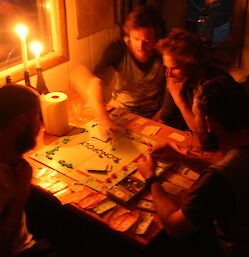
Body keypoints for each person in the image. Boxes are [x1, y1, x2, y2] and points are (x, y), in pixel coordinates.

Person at [138, 76, 249, 257]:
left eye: (195, 116)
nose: (194, 124)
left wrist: (151, 179)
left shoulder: (217, 179)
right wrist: (179, 158)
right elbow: (232, 171)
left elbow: (174, 227)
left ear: (209, 123)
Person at [72, 5, 166, 139]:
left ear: (157, 40)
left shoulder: (165, 56)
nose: (140, 47)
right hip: (119, 112)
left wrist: (152, 123)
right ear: (129, 35)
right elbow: (92, 81)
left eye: (146, 41)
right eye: (136, 39)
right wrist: (103, 118)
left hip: (151, 117)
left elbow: (169, 101)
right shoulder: (118, 49)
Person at [0, 84, 61, 257]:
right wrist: (22, 192)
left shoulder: (8, 152)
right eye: (37, 116)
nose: (40, 125)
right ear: (20, 123)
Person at [157, 28, 229, 131]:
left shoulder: (215, 85)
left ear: (192, 64)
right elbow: (165, 118)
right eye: (166, 67)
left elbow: (203, 134)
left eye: (174, 68)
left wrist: (180, 102)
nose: (168, 74)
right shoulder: (175, 79)